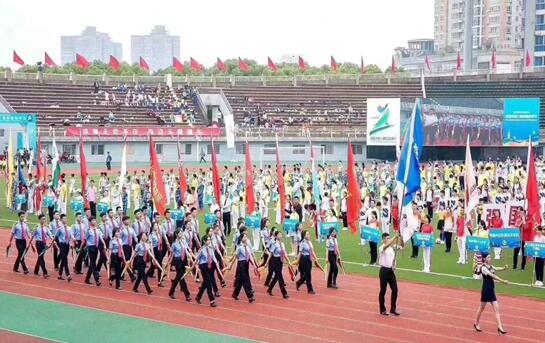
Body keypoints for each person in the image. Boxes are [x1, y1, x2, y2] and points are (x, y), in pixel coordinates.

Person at [473, 253, 509, 335]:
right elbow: (492, 275)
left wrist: (504, 268)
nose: (490, 258)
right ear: (484, 259)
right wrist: (503, 281)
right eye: (488, 257)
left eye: (490, 257)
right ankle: (476, 323)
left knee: (496, 308)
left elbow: (497, 268)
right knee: (481, 308)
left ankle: (500, 327)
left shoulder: (491, 266)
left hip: (491, 290)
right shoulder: (483, 268)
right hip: (486, 290)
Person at [378, 232, 403, 316]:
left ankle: (393, 308)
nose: (389, 239)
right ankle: (382, 309)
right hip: (384, 271)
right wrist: (394, 237)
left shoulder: (392, 248)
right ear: (383, 239)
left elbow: (402, 246)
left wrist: (400, 237)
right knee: (383, 290)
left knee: (395, 290)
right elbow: (386, 245)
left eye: (389, 238)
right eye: (387, 238)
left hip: (391, 271)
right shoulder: (381, 247)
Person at [232, 233, 256, 303]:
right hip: (241, 264)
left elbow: (250, 256)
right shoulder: (239, 247)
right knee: (245, 280)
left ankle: (235, 294)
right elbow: (236, 255)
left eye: (246, 237)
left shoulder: (248, 246)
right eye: (244, 237)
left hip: (246, 264)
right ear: (241, 238)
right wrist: (238, 263)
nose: (246, 238)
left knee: (240, 280)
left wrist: (253, 264)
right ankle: (250, 296)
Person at [168, 231, 192, 301]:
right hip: (178, 261)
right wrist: (168, 262)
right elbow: (171, 254)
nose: (181, 234)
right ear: (176, 234)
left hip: (183, 260)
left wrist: (189, 256)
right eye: (180, 233)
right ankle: (187, 294)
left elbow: (186, 250)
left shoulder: (184, 242)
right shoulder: (174, 244)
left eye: (182, 233)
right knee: (182, 277)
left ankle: (171, 292)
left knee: (178, 277)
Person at [195, 235, 219, 307]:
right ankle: (212, 300)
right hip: (203, 266)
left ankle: (198, 296)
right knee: (208, 283)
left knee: (205, 282)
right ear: (204, 241)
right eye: (208, 240)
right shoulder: (201, 250)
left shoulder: (211, 249)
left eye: (209, 239)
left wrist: (217, 265)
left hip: (210, 266)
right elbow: (197, 259)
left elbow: (213, 257)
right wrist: (194, 266)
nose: (209, 241)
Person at [266, 230, 290, 299]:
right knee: (280, 277)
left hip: (280, 260)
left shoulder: (282, 244)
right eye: (279, 235)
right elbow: (270, 254)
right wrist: (267, 263)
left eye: (281, 234)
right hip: (275, 260)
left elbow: (284, 253)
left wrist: (288, 261)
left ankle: (270, 289)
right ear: (276, 236)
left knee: (276, 276)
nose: (280, 236)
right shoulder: (274, 244)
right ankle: (284, 293)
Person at [31, 214, 53, 278]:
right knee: (41, 258)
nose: (44, 220)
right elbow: (32, 235)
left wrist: (53, 240)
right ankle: (45, 273)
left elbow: (50, 234)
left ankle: (36, 271)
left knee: (40, 257)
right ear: (40, 220)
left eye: (45, 219)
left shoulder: (46, 227)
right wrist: (31, 244)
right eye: (43, 219)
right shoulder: (36, 227)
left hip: (44, 244)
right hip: (38, 244)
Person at [84, 217, 104, 286]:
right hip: (91, 247)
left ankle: (87, 279)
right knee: (93, 263)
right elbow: (85, 239)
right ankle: (97, 279)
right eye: (92, 220)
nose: (94, 221)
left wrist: (104, 244)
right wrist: (85, 246)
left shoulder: (98, 230)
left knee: (92, 264)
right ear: (90, 222)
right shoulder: (89, 230)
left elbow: (101, 238)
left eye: (95, 220)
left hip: (96, 247)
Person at [295, 230, 315, 294]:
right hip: (304, 258)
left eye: (309, 234)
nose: (308, 235)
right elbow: (300, 253)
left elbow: (312, 250)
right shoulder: (302, 243)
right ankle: (310, 289)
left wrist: (315, 257)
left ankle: (298, 283)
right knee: (308, 274)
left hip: (309, 258)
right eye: (307, 234)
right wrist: (297, 261)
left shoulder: (310, 242)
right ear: (304, 235)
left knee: (307, 273)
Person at [55, 214, 72, 282]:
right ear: (61, 220)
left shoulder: (69, 228)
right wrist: (55, 244)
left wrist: (72, 242)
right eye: (64, 219)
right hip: (62, 244)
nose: (65, 220)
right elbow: (56, 236)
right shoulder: (59, 228)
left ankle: (59, 275)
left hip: (67, 245)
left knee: (63, 259)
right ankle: (68, 275)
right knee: (65, 260)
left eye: (66, 218)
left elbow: (70, 236)